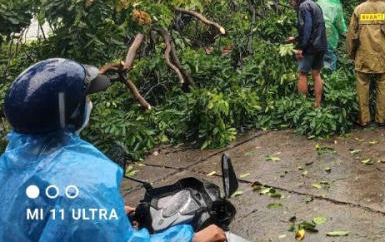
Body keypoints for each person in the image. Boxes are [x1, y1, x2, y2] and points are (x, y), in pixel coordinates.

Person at [0, 58, 226, 242]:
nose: (89, 103)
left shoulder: (12, 162)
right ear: (72, 113)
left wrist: (111, 211)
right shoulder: (84, 184)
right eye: (85, 99)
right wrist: (192, 238)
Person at [346, 0, 385, 127]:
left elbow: (352, 34)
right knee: (382, 86)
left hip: (363, 55)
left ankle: (364, 119)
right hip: (382, 55)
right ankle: (381, 119)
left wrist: (351, 53)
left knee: (362, 86)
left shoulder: (359, 9)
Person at [286, 0, 328, 107]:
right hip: (321, 45)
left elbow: (307, 28)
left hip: (310, 46)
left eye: (292, 0)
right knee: (316, 74)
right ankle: (317, 104)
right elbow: (315, 27)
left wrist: (301, 47)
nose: (291, 3)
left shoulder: (303, 7)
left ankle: (302, 106)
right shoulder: (314, 4)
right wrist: (295, 38)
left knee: (303, 74)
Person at [316, 0, 348, 71]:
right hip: (328, 34)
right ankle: (329, 78)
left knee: (319, 55)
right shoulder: (337, 6)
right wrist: (344, 32)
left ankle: (318, 76)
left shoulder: (320, 2)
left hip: (315, 34)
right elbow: (339, 22)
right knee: (330, 58)